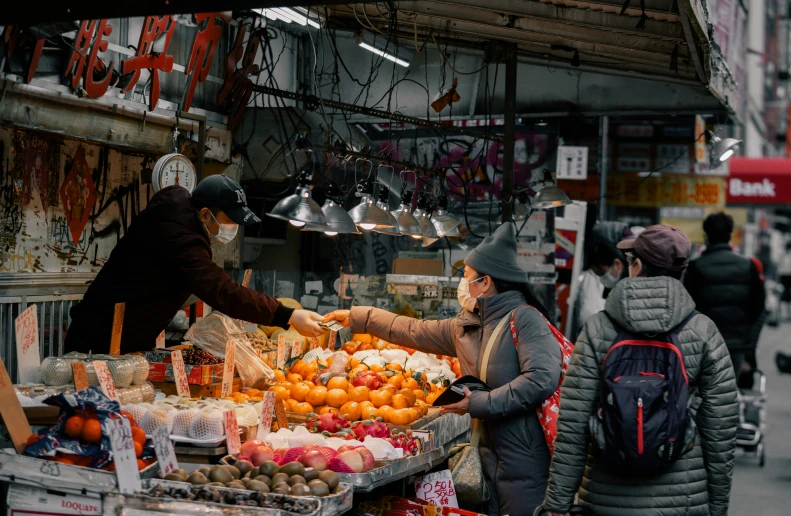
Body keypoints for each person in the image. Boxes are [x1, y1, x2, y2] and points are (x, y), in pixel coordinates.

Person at [325, 223, 562, 516]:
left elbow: (541, 379)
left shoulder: (526, 319)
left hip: (524, 456)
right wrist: (357, 316)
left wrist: (476, 403)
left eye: (467, 277)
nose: (463, 283)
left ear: (485, 282)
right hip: (486, 451)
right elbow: (413, 329)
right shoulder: (467, 326)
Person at [541, 225, 738, 516]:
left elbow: (573, 424)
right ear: (681, 271)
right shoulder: (702, 331)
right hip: (681, 498)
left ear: (636, 266)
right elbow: (720, 430)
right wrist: (718, 506)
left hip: (606, 498)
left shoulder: (598, 329)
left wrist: (557, 505)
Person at [65, 175, 324, 354]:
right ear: (204, 214)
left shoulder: (181, 222)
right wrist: (285, 314)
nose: (232, 228)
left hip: (124, 337)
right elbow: (221, 290)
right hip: (100, 339)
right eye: (229, 220)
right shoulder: (180, 237)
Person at [684, 212, 766, 378]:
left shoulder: (695, 267)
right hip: (736, 345)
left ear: (706, 236)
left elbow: (687, 309)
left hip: (704, 344)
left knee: (704, 395)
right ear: (730, 235)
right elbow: (759, 305)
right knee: (729, 392)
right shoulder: (748, 266)